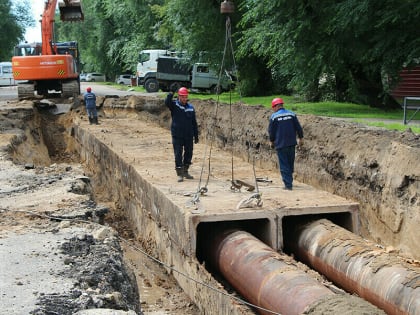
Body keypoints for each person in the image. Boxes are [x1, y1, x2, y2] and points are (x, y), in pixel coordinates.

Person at [268, 98, 303, 190]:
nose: (273, 109)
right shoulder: (291, 114)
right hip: (291, 143)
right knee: (290, 162)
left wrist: (271, 141)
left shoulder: (274, 117)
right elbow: (298, 127)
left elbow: (271, 131)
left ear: (276, 106)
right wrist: (301, 138)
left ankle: (288, 185)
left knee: (284, 164)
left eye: (273, 107)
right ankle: (289, 180)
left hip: (280, 143)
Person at [165, 87, 199, 182]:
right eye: (182, 97)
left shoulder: (190, 108)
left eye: (185, 97)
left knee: (189, 153)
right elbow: (167, 102)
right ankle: (179, 173)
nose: (184, 99)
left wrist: (196, 135)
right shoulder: (174, 105)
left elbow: (194, 123)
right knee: (178, 153)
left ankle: (185, 171)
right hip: (177, 135)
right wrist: (171, 92)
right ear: (179, 97)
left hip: (188, 135)